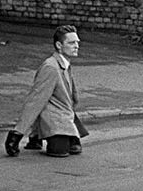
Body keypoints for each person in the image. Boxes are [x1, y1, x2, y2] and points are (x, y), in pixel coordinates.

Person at [5, 25, 87, 158]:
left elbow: (70, 95)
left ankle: (36, 137)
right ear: (59, 45)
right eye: (71, 43)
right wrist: (17, 134)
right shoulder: (50, 67)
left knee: (74, 149)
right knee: (60, 152)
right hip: (54, 118)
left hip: (63, 114)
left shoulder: (64, 63)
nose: (76, 46)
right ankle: (36, 135)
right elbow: (36, 100)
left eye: (77, 42)